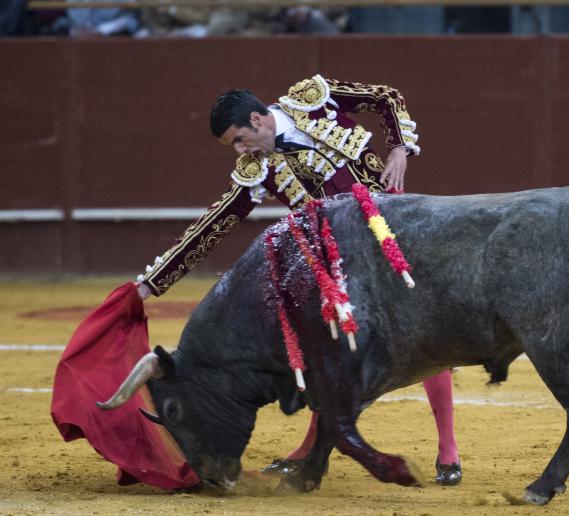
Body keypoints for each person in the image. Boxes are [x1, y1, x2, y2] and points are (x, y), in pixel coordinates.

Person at [134, 75, 462, 486]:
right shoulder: (256, 170)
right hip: (340, 261)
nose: (239, 151)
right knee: (324, 345)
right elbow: (212, 226)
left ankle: (448, 450)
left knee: (426, 332)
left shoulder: (314, 98)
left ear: (259, 118)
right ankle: (310, 449)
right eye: (232, 146)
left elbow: (386, 97)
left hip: (392, 231)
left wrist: (399, 147)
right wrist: (150, 284)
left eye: (240, 139)